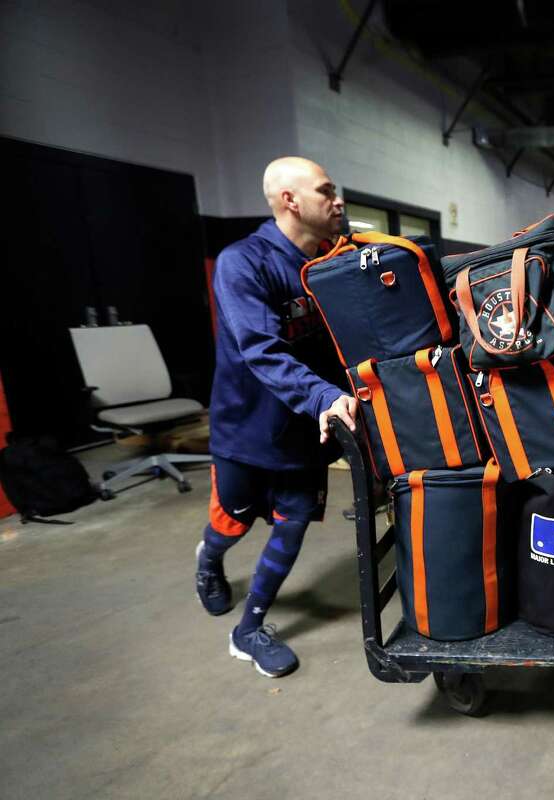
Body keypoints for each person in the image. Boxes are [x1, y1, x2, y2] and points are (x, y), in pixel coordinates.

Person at [194, 156, 358, 677]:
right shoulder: (244, 262)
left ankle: (248, 630)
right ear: (290, 200)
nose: (339, 201)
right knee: (234, 522)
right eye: (325, 191)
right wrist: (323, 397)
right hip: (247, 427)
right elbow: (259, 350)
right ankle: (209, 558)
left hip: (306, 429)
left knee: (292, 526)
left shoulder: (333, 263)